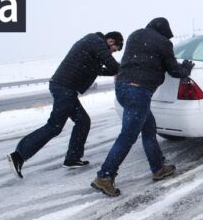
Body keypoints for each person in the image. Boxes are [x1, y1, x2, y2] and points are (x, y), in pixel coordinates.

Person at [91, 17, 194, 197]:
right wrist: (185, 68)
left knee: (149, 129)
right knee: (128, 136)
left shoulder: (135, 35)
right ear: (164, 32)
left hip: (123, 88)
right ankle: (104, 176)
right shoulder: (163, 42)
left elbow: (144, 59)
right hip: (138, 92)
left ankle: (158, 168)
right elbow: (173, 70)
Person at [7, 31, 123, 178]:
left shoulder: (92, 45)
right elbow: (112, 66)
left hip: (66, 88)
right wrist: (124, 68)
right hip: (64, 88)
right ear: (111, 41)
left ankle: (72, 158)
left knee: (83, 121)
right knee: (54, 126)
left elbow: (98, 70)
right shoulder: (96, 41)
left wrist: (114, 71)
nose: (112, 54)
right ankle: (19, 155)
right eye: (113, 50)